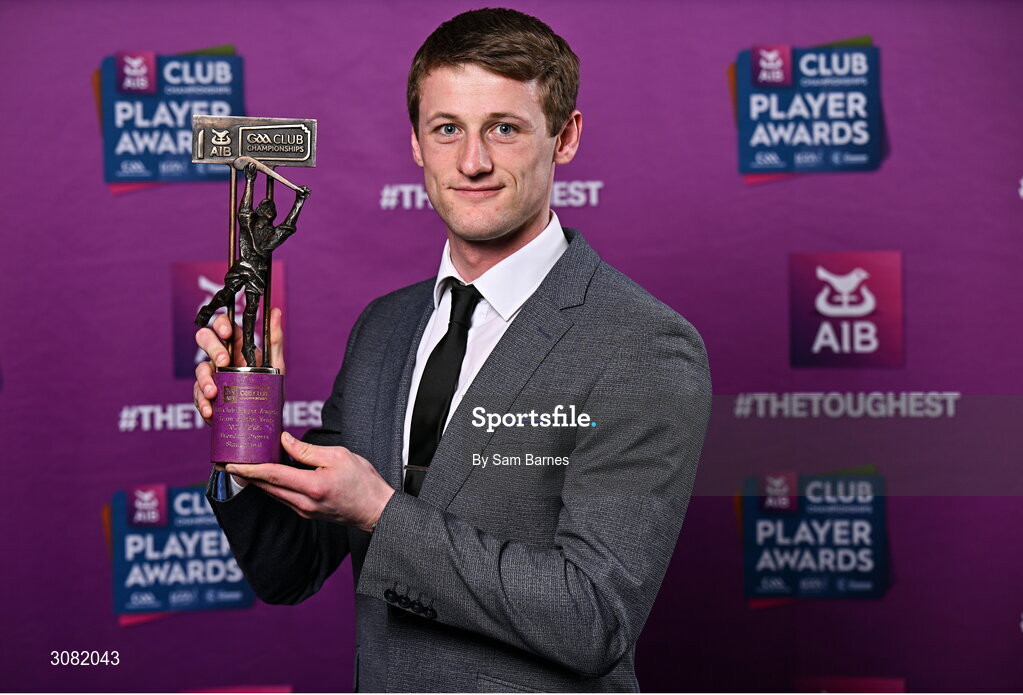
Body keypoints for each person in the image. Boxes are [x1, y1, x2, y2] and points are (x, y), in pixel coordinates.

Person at [192, 8, 711, 692]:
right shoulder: (384, 326)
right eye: (447, 130)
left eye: (503, 127)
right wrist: (246, 436)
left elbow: (593, 617)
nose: (472, 162)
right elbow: (288, 571)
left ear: (565, 137)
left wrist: (380, 510)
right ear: (415, 143)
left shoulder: (641, 344)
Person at [195, 162, 310, 366]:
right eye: (264, 205)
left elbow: (289, 224)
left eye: (270, 207)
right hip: (244, 266)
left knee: (251, 309)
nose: (267, 206)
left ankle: (248, 346)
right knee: (226, 295)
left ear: (272, 216)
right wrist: (250, 181)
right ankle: (209, 309)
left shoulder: (273, 234)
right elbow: (244, 208)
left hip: (257, 272)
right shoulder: (248, 223)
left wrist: (299, 201)